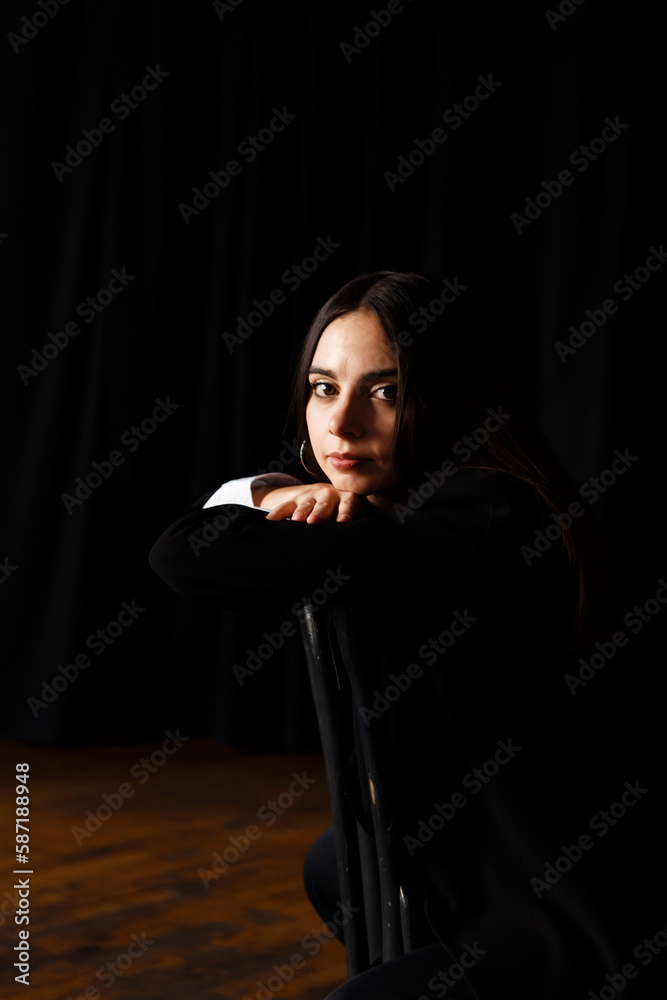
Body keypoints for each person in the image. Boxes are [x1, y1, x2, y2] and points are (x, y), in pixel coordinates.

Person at [149, 271, 665, 999]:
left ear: (447, 399)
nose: (341, 424)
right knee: (336, 862)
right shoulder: (397, 512)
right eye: (324, 387)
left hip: (567, 907)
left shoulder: (487, 512)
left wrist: (261, 492)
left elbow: (182, 552)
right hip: (473, 857)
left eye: (385, 391)